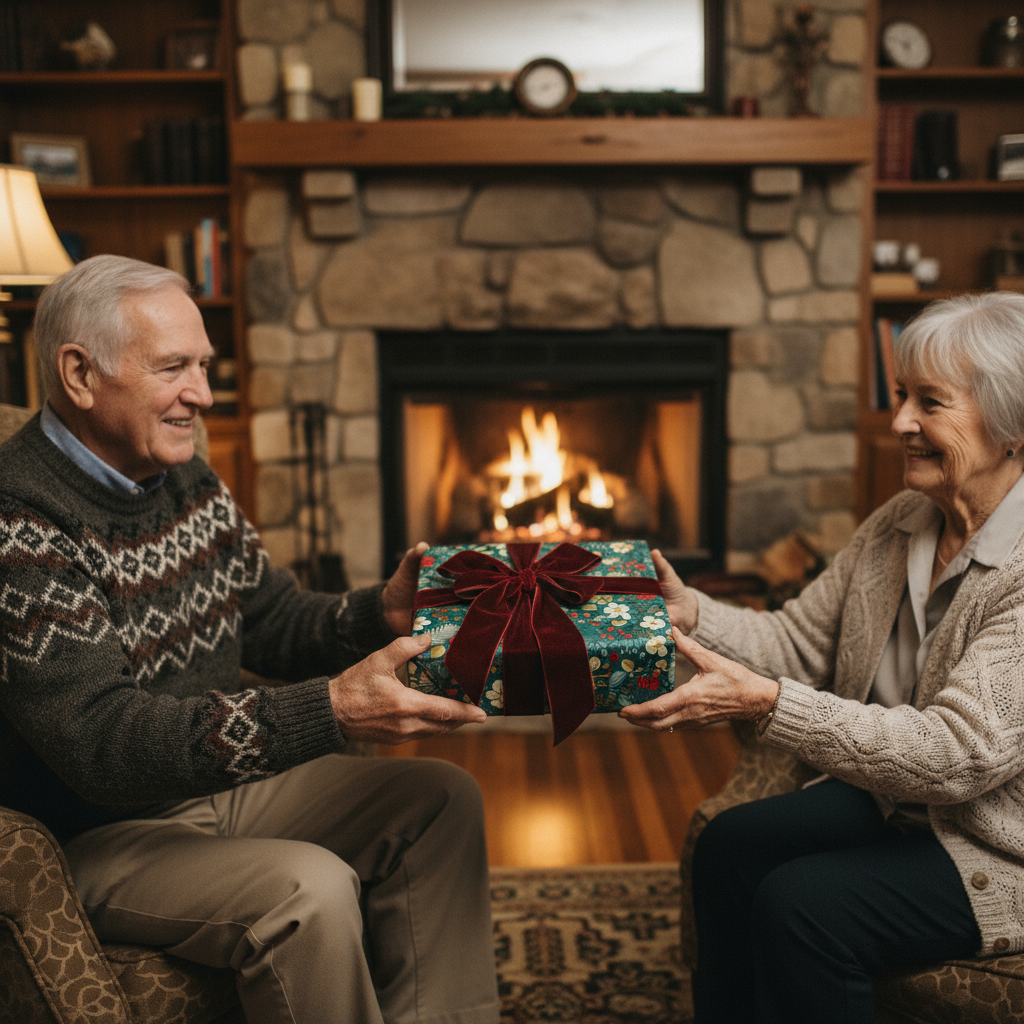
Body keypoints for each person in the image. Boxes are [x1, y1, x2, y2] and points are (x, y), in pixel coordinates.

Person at [0, 254, 499, 1024]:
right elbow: (102, 744)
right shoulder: (20, 520)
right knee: (310, 890)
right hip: (96, 834)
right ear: (78, 374)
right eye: (174, 368)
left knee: (441, 800)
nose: (200, 393)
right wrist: (329, 710)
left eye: (202, 365)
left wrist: (379, 616)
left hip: (210, 791)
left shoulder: (185, 476)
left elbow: (268, 618)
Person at [620, 291, 1024, 1023]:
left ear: (1011, 428)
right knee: (729, 847)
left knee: (801, 906)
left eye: (929, 403)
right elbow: (799, 644)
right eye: (902, 397)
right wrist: (694, 615)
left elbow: (957, 754)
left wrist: (770, 706)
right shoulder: (900, 523)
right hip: (898, 801)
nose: (900, 422)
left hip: (998, 841)